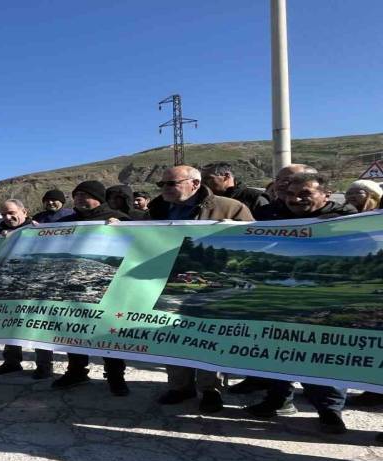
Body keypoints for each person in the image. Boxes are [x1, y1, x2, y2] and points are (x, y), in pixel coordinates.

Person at [242, 174, 352, 433]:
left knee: (323, 355)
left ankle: (329, 410)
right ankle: (277, 399)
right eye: (290, 194)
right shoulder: (270, 215)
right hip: (278, 298)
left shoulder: (346, 217)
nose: (296, 199)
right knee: (278, 349)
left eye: (305, 194)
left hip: (325, 299)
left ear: (326, 194)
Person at [148, 166, 254, 414]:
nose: (164, 189)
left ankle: (210, 389)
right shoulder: (157, 208)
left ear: (194, 184)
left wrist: (237, 230)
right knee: (170, 335)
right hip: (168, 282)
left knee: (207, 337)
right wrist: (116, 225)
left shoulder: (230, 207)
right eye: (161, 184)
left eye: (171, 184)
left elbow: (254, 240)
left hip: (209, 285)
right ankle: (179, 386)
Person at [230, 163, 322, 395]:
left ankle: (326, 404)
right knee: (267, 343)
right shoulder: (266, 213)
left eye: (289, 180)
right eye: (280, 179)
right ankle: (271, 390)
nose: (282, 184)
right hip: (269, 294)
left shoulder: (342, 215)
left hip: (310, 296)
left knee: (313, 351)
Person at [50, 181, 132, 395]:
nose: (78, 198)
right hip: (72, 286)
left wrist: (124, 228)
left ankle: (115, 376)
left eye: (84, 194)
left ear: (98, 197)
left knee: (106, 332)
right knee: (72, 330)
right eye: (76, 195)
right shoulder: (66, 221)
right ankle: (76, 371)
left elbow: (139, 241)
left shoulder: (117, 218)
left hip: (109, 288)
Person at [0, 199, 54, 379]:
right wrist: (0, 238)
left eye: (11, 213)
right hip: (10, 286)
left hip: (36, 287)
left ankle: (44, 366)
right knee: (10, 323)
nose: (7, 217)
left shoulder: (39, 229)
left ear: (24, 212)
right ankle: (11, 362)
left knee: (37, 325)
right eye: (3, 214)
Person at [200, 162, 271, 212]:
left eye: (208, 178)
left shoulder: (254, 198)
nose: (202, 183)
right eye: (201, 179)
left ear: (226, 176)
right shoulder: (202, 199)